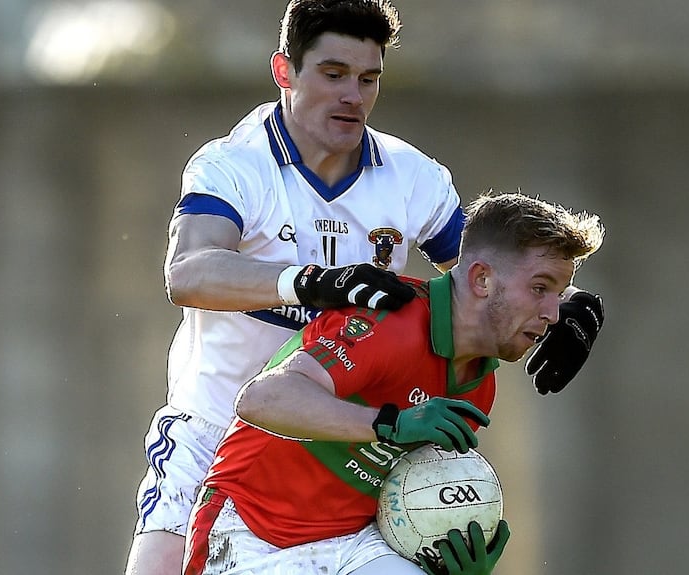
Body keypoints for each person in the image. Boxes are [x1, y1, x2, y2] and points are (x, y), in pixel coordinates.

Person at [125, 1, 604, 573]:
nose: (353, 94)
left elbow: (488, 276)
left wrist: (571, 306)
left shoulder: (411, 176)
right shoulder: (234, 165)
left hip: (345, 447)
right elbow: (189, 272)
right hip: (215, 423)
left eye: (368, 78)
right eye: (333, 74)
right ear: (285, 71)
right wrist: (310, 283)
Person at [183, 192, 605, 575]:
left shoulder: (480, 386)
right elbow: (262, 398)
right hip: (251, 532)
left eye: (558, 294)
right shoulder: (391, 320)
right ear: (481, 279)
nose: (553, 313)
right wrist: (393, 423)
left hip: (356, 543)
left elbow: (406, 497)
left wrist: (446, 555)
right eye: (540, 289)